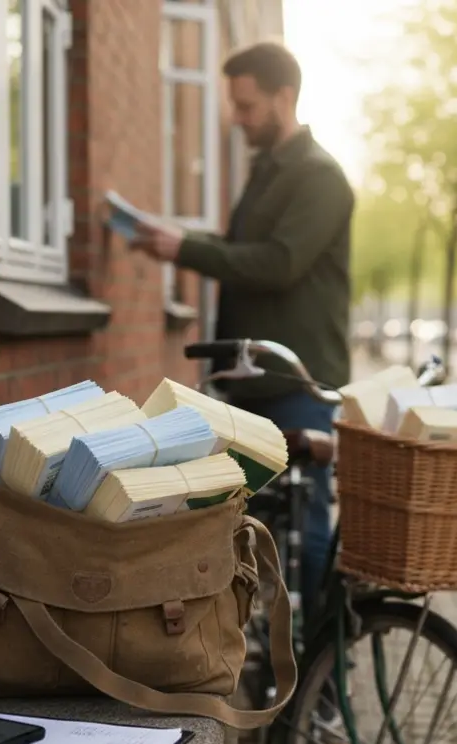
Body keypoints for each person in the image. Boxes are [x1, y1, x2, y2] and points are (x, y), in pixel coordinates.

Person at [130, 41, 354, 625]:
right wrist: (183, 242)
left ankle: (324, 661)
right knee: (249, 521)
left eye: (248, 105)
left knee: (307, 526)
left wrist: (186, 249)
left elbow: (279, 263)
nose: (237, 118)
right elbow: (241, 252)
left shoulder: (320, 177)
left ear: (285, 96)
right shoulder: (267, 172)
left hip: (298, 381)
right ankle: (262, 648)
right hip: (251, 380)